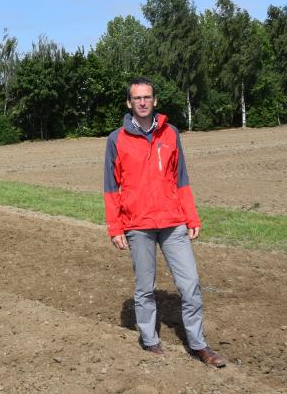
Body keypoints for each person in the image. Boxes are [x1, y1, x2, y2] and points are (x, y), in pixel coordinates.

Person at [103, 76, 226, 367]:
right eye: (137, 98)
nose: (142, 102)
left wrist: (191, 215)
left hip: (173, 222)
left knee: (190, 285)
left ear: (155, 101)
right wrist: (115, 226)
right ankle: (149, 339)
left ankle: (198, 344)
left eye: (147, 97)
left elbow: (181, 178)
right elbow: (111, 187)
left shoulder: (171, 133)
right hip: (138, 225)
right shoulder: (116, 139)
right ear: (129, 103)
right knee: (145, 288)